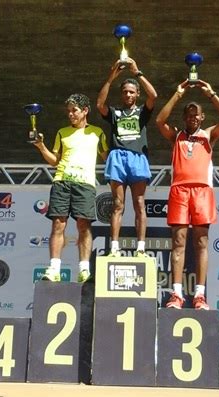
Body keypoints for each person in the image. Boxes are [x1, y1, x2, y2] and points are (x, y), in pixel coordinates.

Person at [156, 79, 219, 310]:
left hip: (202, 191)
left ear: (202, 118)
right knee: (178, 242)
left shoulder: (208, 135)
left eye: (196, 115)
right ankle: (177, 295)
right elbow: (160, 120)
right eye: (188, 115)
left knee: (201, 241)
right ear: (184, 118)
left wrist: (211, 93)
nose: (192, 118)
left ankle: (200, 295)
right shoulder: (176, 136)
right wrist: (177, 94)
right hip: (180, 190)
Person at [33, 94, 108, 282]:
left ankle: (84, 270)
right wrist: (41, 146)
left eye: (74, 110)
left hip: (86, 183)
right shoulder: (62, 132)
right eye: (69, 111)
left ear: (85, 111)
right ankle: (54, 269)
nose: (71, 115)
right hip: (62, 181)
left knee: (84, 226)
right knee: (58, 224)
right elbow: (55, 162)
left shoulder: (97, 133)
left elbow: (108, 158)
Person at [97, 57, 157, 257]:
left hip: (138, 158)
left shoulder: (142, 112)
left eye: (132, 92)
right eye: (125, 92)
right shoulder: (115, 113)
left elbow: (154, 96)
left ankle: (140, 248)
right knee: (117, 204)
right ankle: (114, 248)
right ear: (121, 95)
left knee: (139, 203)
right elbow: (99, 104)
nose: (128, 94)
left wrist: (137, 71)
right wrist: (111, 78)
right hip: (117, 158)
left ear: (137, 94)